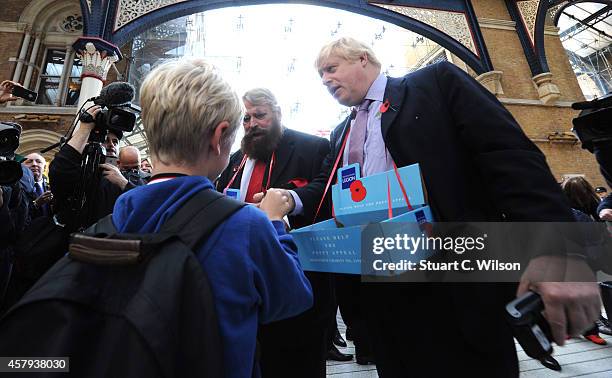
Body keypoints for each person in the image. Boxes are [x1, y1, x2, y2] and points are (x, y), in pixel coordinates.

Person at [273, 37, 600, 377]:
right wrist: (289, 199)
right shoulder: (342, 132)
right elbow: (326, 187)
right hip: (382, 294)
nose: (325, 80)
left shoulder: (435, 84)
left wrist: (557, 251)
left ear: (364, 59)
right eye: (320, 76)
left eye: (330, 68)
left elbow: (510, 159)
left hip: (455, 285)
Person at [111, 58, 313, 378]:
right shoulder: (248, 225)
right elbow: (293, 298)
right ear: (219, 136)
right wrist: (275, 221)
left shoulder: (119, 213)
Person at [216, 88, 337, 377]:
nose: (252, 124)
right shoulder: (234, 160)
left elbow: (326, 189)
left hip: (299, 284)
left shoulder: (312, 147)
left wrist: (289, 200)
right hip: (244, 283)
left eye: (260, 115)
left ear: (278, 114)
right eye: (246, 118)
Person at [49, 120, 137, 231]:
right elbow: (59, 175)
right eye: (106, 140)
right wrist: (84, 129)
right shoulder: (78, 172)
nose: (111, 145)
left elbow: (146, 204)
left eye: (115, 142)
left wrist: (123, 183)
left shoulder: (128, 178)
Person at [23, 153, 52, 218]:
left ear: (44, 168)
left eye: (38, 162)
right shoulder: (17, 189)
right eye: (29, 162)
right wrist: (36, 204)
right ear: (22, 167)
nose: (34, 164)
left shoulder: (51, 187)